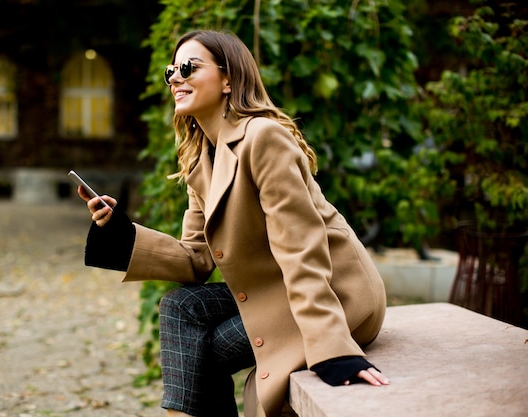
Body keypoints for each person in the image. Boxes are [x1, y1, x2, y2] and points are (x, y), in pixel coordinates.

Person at [78, 29, 389, 417]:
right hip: (274, 291)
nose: (176, 77)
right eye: (170, 70)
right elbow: (195, 259)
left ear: (229, 79)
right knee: (180, 307)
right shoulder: (197, 159)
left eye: (189, 67)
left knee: (205, 350)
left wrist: (332, 351)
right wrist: (120, 234)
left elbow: (302, 248)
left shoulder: (264, 137)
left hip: (339, 296)